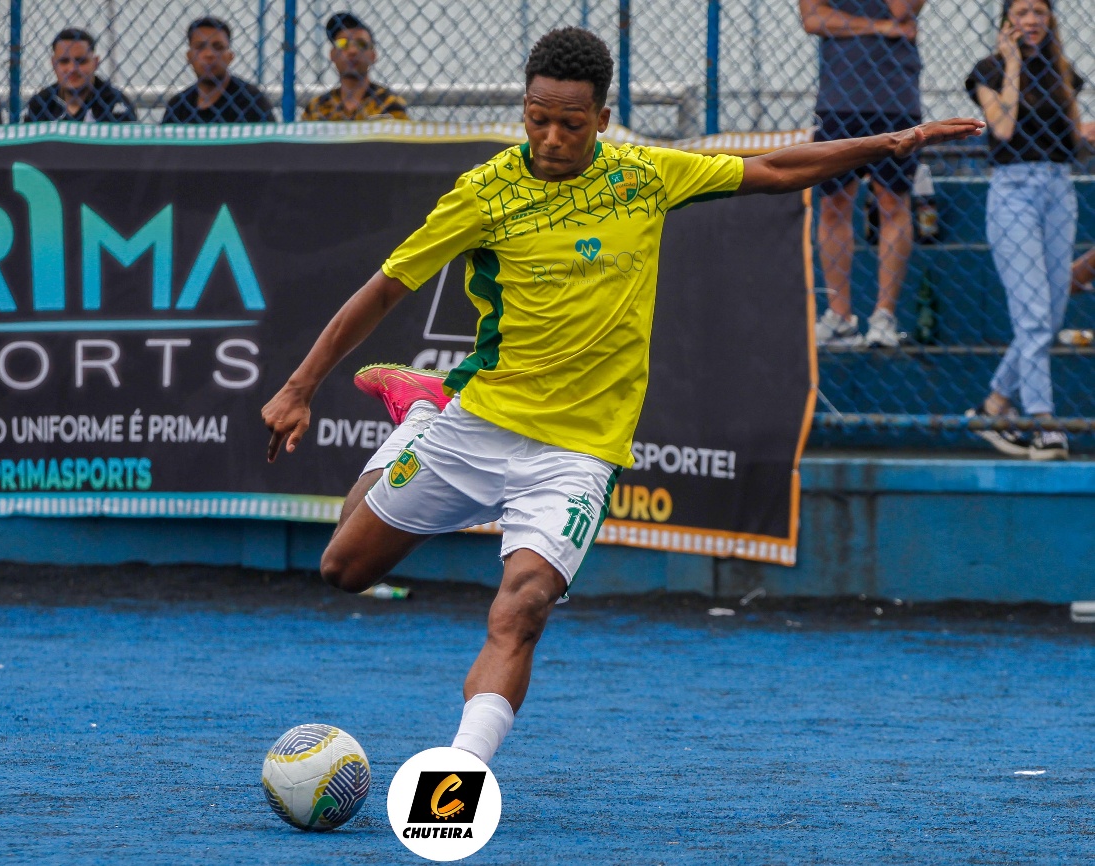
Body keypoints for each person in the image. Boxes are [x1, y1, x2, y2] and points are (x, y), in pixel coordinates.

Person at [261, 27, 981, 765]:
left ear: (602, 120)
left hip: (577, 453)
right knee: (344, 570)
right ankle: (421, 415)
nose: (551, 138)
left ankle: (460, 776)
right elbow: (384, 290)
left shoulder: (643, 175)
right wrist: (298, 387)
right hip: (477, 422)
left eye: (570, 124)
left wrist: (887, 142)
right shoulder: (483, 193)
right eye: (538, 118)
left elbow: (772, 168)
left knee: (524, 606)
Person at [965, 0, 1092, 461]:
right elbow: (1002, 127)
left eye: (1039, 11)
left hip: (1059, 188)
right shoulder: (987, 70)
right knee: (1035, 314)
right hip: (1013, 190)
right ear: (1008, 22)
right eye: (1022, 12)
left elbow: (1074, 133)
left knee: (1050, 314)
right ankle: (1043, 422)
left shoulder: (1064, 71)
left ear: (1049, 19)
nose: (1032, 20)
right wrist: (1013, 64)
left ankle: (994, 404)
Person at [800, 0, 923, 348]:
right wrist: (879, 27)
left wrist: (871, 23)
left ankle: (884, 316)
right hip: (838, 98)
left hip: (895, 97)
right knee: (833, 203)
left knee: (892, 202)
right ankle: (840, 317)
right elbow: (813, 19)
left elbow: (902, 12)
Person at [162, 17, 274, 124]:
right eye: (200, 47)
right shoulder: (178, 105)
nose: (209, 54)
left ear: (230, 56)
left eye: (218, 47)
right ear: (189, 56)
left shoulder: (251, 102)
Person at [302, 12, 408, 122]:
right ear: (332, 54)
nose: (352, 51)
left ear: (373, 55)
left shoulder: (389, 104)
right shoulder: (316, 108)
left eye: (361, 44)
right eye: (343, 44)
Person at [23, 28, 136, 123]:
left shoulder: (114, 103)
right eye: (64, 61)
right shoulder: (40, 103)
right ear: (53, 64)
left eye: (81, 61)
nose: (72, 69)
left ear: (95, 62)